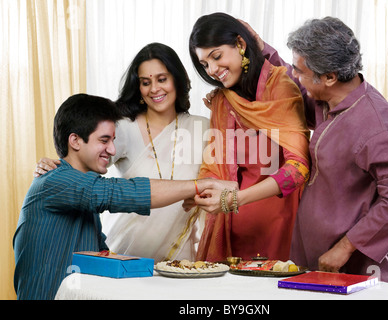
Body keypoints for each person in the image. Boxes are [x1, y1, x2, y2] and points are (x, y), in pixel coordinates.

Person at [244, 17, 388, 287]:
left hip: (363, 269)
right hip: (319, 257)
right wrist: (262, 50)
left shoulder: (378, 126)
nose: (294, 76)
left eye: (300, 71)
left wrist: (346, 247)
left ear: (329, 77)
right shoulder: (328, 98)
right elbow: (295, 89)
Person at [13, 94, 234, 300]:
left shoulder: (80, 189)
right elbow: (123, 193)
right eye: (104, 140)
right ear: (75, 141)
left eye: (113, 140)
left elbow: (103, 258)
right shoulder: (55, 181)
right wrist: (201, 185)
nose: (112, 150)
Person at [34, 43, 210, 262]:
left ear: (177, 79)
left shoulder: (202, 127)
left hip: (180, 253)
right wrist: (54, 166)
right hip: (130, 251)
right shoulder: (123, 128)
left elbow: (223, 177)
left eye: (162, 79)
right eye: (146, 82)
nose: (154, 89)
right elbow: (82, 166)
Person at [187, 13, 310, 262]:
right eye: (204, 64)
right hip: (231, 224)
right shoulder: (222, 100)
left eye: (216, 56)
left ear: (241, 44)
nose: (212, 70)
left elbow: (298, 168)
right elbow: (214, 165)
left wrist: (235, 199)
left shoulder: (281, 86)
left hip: (281, 223)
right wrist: (201, 192)